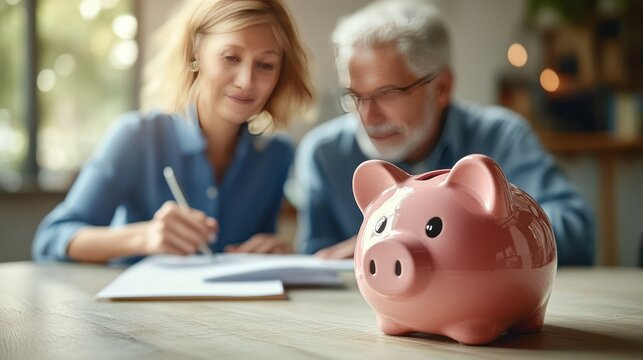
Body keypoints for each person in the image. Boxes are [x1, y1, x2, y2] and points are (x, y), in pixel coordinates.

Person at [294, 0, 595, 265]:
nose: (367, 116)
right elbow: (317, 260)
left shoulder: (501, 136)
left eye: (387, 93)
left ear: (442, 88)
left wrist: (421, 239)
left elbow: (575, 231)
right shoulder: (323, 154)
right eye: (355, 95)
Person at [33, 0, 313, 264]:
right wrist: (145, 237)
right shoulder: (136, 137)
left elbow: (254, 250)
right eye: (231, 58)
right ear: (196, 52)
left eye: (266, 65)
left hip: (223, 315)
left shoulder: (277, 156)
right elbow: (50, 238)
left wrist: (273, 251)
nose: (246, 81)